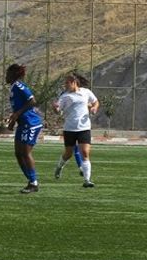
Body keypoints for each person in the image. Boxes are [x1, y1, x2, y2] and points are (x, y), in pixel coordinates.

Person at [52, 73, 98, 187]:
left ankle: (87, 180)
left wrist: (94, 107)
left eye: (67, 82)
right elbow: (58, 111)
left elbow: (96, 101)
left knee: (85, 153)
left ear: (74, 82)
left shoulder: (86, 92)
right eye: (65, 83)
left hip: (84, 128)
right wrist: (55, 108)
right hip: (70, 128)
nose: (65, 85)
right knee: (68, 153)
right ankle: (59, 167)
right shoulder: (64, 96)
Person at [6, 63, 43, 193]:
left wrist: (17, 114)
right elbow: (17, 108)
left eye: (7, 73)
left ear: (13, 74)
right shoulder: (13, 88)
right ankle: (31, 180)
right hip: (23, 123)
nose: (5, 76)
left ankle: (33, 183)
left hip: (31, 123)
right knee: (18, 153)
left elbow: (32, 101)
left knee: (25, 152)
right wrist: (13, 121)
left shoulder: (19, 86)